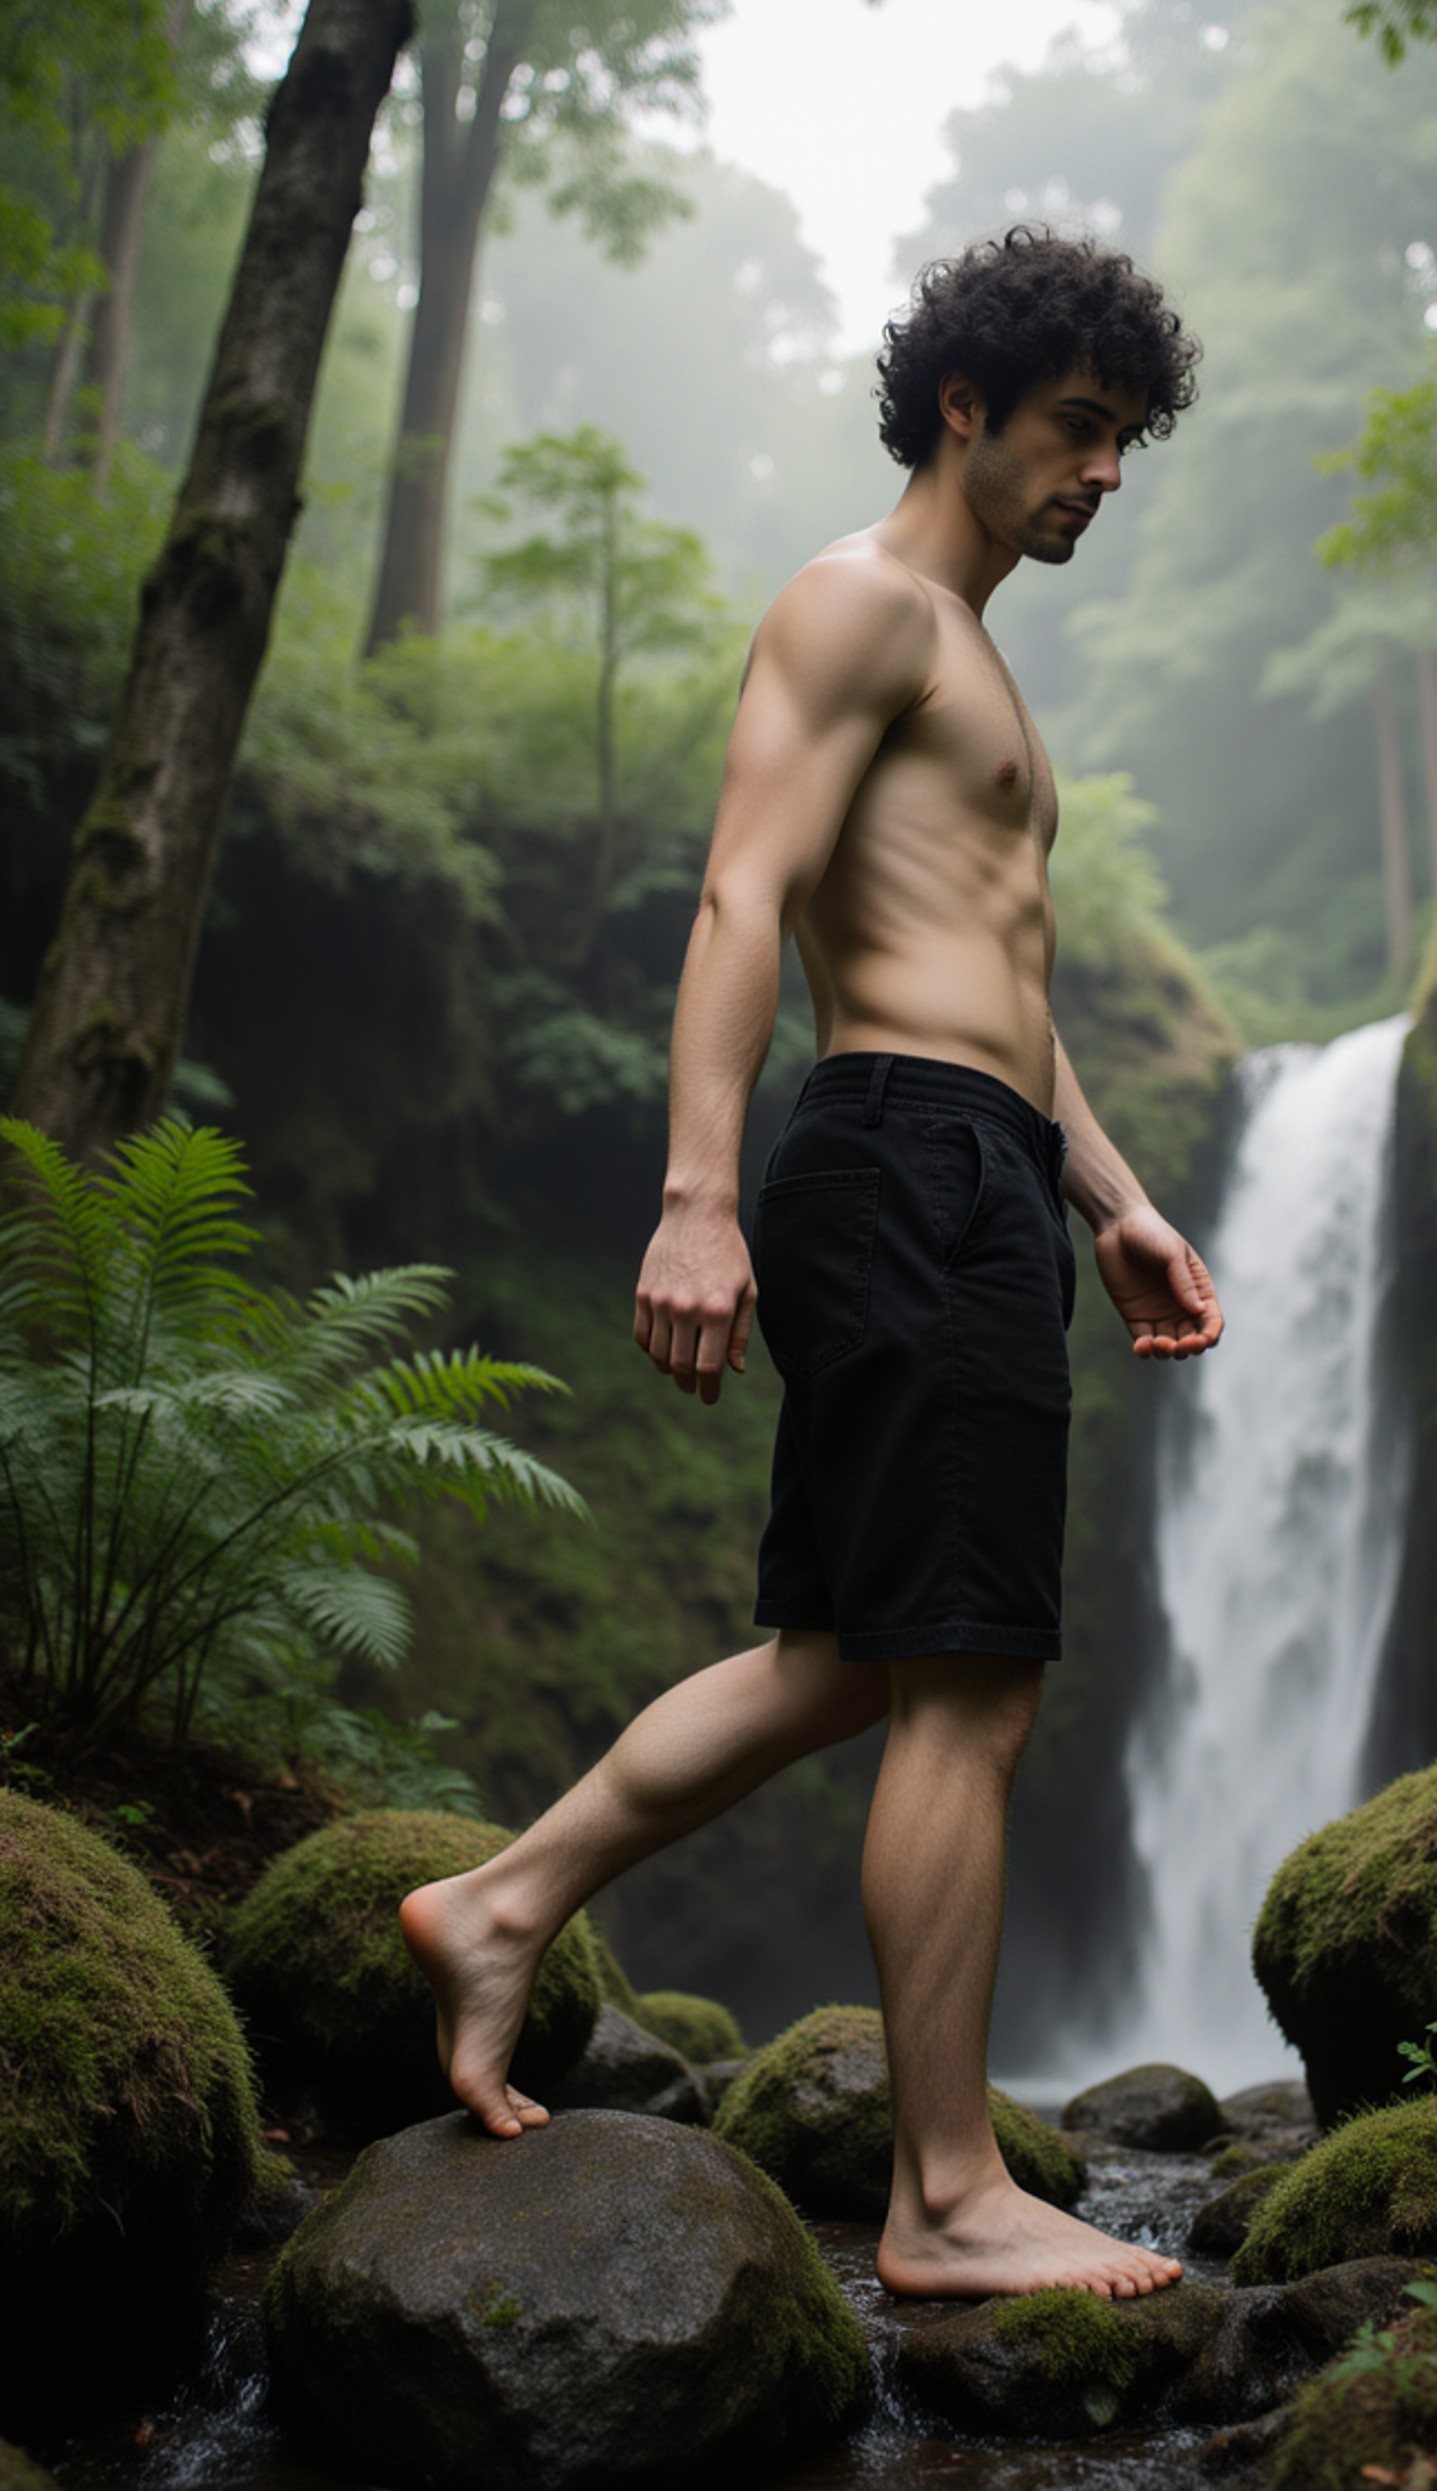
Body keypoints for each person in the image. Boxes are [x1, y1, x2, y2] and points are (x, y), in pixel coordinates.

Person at [401, 227, 1221, 2301]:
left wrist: (1104, 1190)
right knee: (969, 1680)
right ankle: (944, 2196)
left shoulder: (963, 645)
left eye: (1123, 441)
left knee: (854, 1653)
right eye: (1075, 429)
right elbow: (739, 892)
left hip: (972, 1158)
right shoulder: (862, 607)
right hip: (901, 1160)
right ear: (963, 403)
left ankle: (503, 1902)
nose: (1101, 475)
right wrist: (699, 1190)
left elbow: (996, 984)